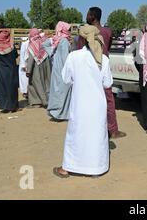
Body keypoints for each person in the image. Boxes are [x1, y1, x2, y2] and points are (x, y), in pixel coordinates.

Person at [53, 24, 113, 178]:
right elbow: (107, 83)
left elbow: (66, 79)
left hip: (80, 104)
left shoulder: (74, 56)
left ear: (83, 39)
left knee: (76, 134)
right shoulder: (103, 59)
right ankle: (96, 169)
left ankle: (68, 168)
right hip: (97, 106)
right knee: (96, 135)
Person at [79, 7, 126, 139]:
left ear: (93, 16)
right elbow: (107, 49)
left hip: (89, 70)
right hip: (103, 68)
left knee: (89, 100)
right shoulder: (107, 31)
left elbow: (80, 51)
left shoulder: (85, 32)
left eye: (88, 14)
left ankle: (92, 130)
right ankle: (113, 130)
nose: (86, 16)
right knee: (108, 100)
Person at [43, 21, 72, 120]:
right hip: (62, 69)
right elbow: (65, 59)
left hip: (57, 68)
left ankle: (56, 112)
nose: (70, 31)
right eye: (68, 29)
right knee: (63, 91)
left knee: (57, 90)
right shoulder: (63, 41)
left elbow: (45, 44)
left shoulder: (57, 40)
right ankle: (60, 113)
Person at [0, 28, 20, 113]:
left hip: (1, 72)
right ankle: (13, 107)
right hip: (11, 71)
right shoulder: (12, 47)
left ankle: (5, 106)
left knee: (3, 88)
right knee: (12, 88)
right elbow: (16, 56)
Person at [26, 28, 51, 108]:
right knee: (45, 83)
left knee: (36, 84)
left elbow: (31, 59)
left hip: (36, 67)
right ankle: (43, 100)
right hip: (45, 66)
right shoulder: (43, 42)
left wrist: (28, 70)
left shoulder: (32, 44)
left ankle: (42, 101)